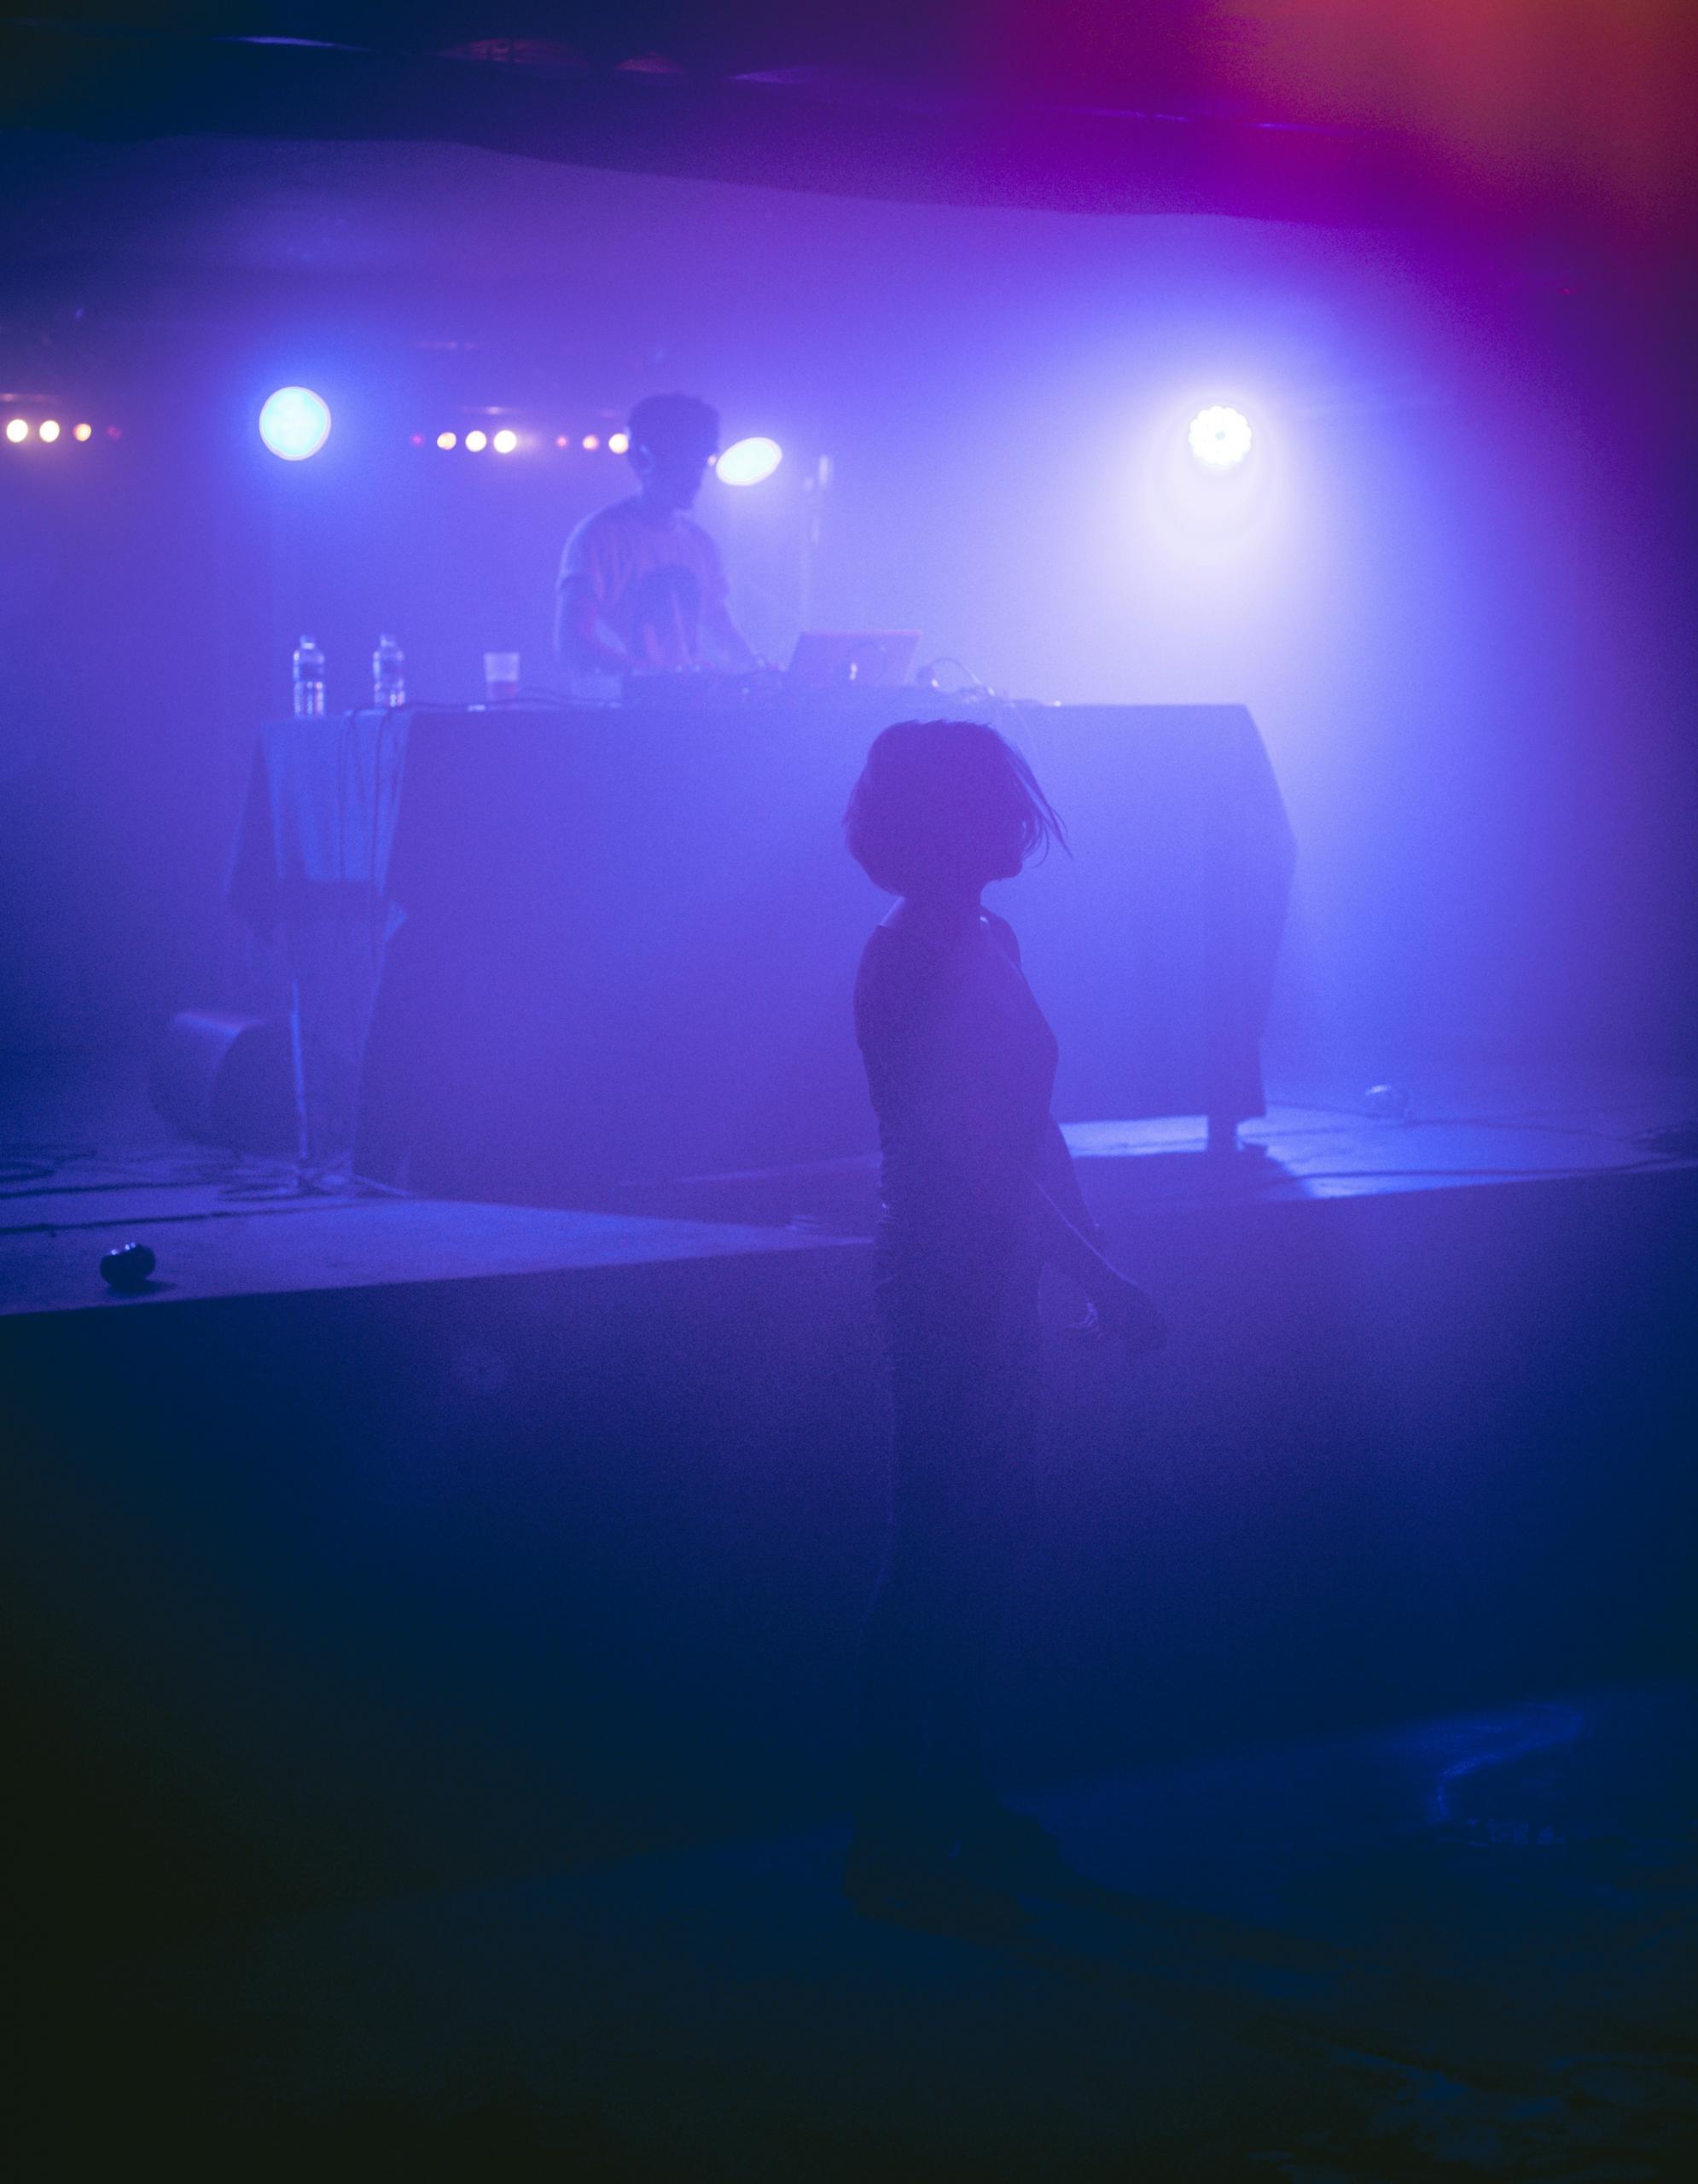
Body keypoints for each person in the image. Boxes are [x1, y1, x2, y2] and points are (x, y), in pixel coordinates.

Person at [843, 717, 1165, 1939]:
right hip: (942, 1274)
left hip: (992, 1271)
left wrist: (1085, 1264)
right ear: (949, 821)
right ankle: (886, 1829)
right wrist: (1098, 1279)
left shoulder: (983, 939)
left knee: (981, 1538)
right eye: (998, 801)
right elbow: (974, 1163)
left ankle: (950, 1796)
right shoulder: (914, 961)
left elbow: (1029, 1134)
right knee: (937, 1549)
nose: (1023, 819)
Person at [553, 392, 757, 682]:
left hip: (685, 715)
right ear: (645, 458)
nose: (697, 477)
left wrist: (760, 673)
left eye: (702, 463)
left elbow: (723, 632)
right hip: (616, 720)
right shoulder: (600, 536)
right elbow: (573, 645)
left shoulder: (700, 543)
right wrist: (656, 677)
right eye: (686, 462)